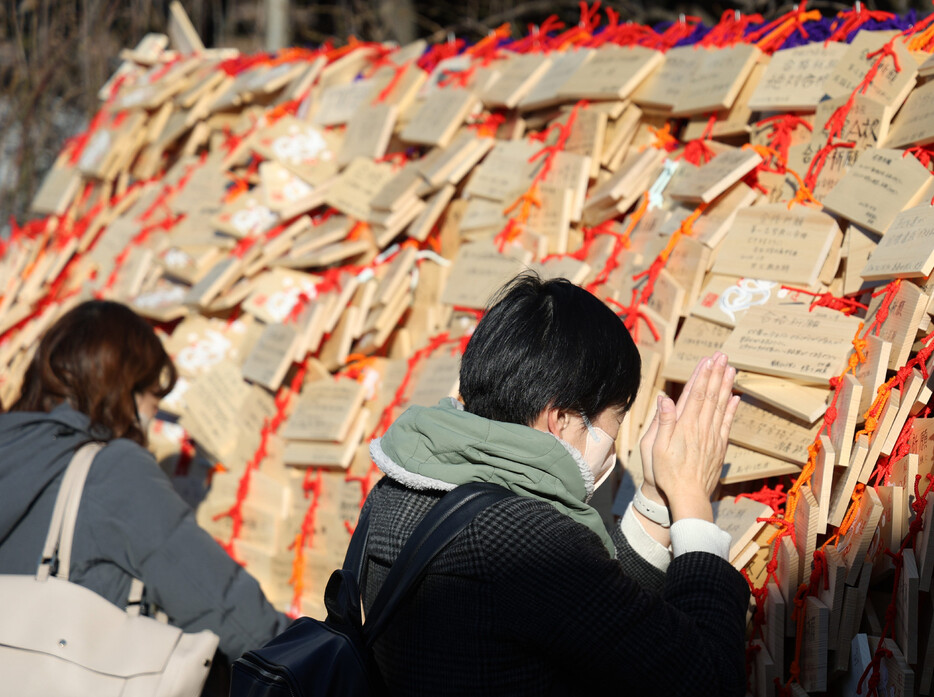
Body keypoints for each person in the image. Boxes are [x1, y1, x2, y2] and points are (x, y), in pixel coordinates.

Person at [362, 273, 750, 696]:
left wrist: (657, 496)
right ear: (561, 420)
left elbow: (596, 616)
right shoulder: (525, 543)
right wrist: (692, 496)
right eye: (614, 422)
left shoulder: (393, 493)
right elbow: (706, 681)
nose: (613, 445)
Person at [0, 300, 289, 688]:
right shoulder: (110, 472)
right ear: (126, 391)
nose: (152, 418)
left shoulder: (14, 450)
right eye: (154, 397)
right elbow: (234, 615)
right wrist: (315, 660)